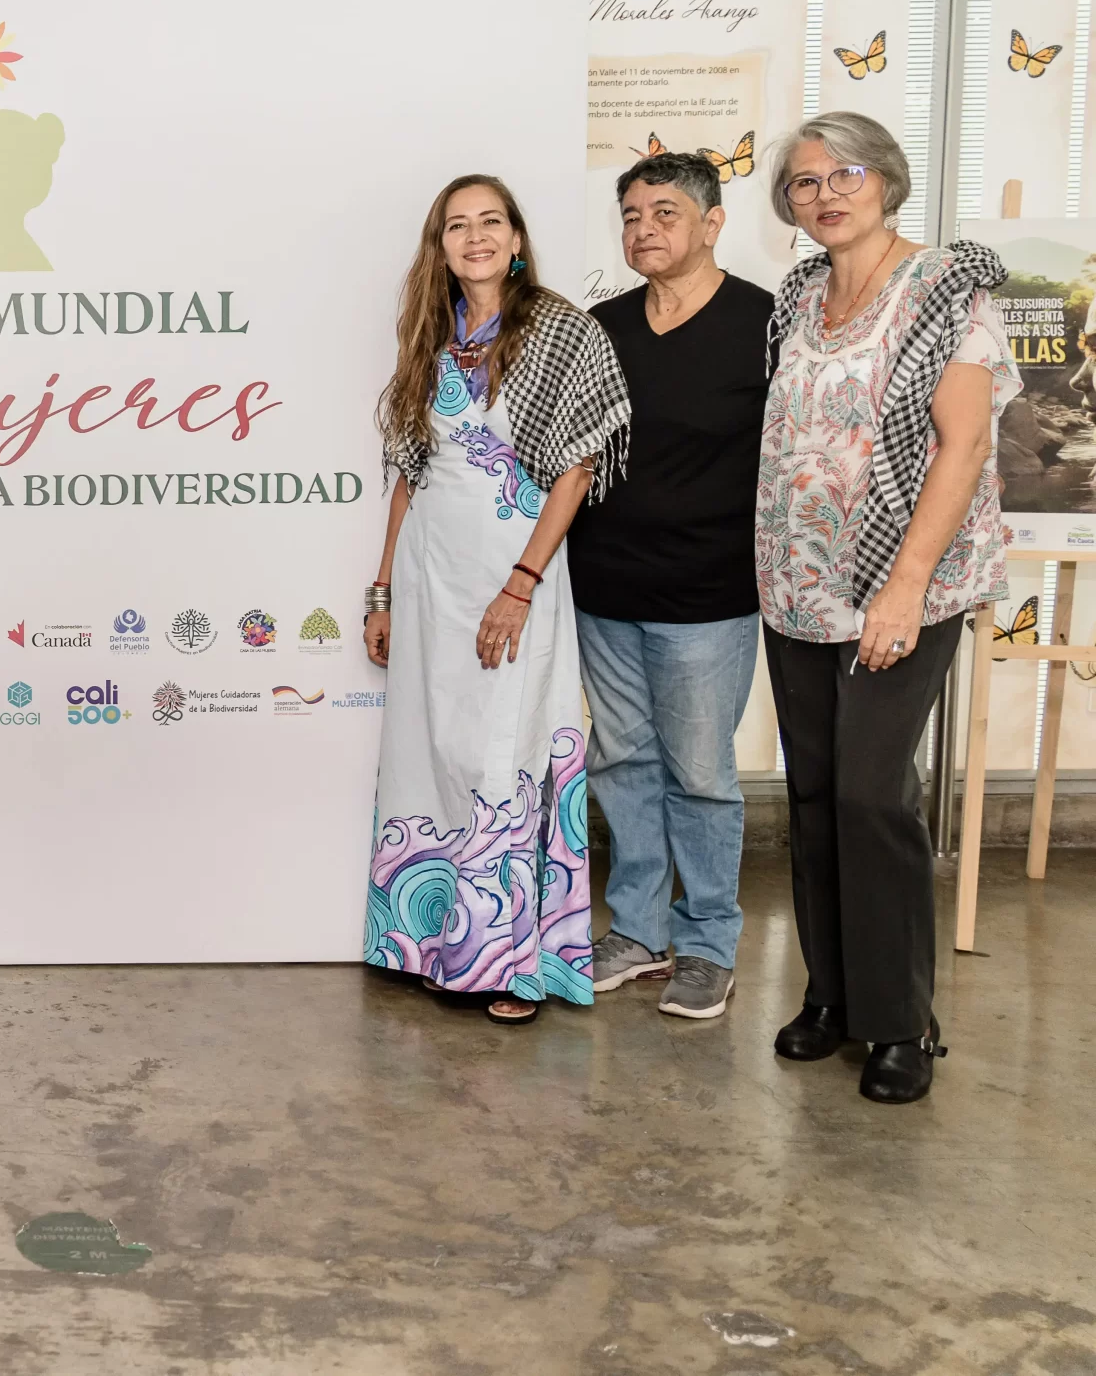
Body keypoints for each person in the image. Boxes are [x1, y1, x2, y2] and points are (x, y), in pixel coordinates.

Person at [758, 113, 1012, 1104]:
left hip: (902, 586)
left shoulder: (945, 289)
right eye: (804, 182)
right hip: (796, 581)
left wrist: (904, 586)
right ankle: (831, 994)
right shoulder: (797, 296)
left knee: (872, 796)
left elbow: (964, 445)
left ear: (887, 181)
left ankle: (902, 1019)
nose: (824, 194)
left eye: (845, 174)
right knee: (816, 797)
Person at [360, 174, 630, 1024]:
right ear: (439, 246)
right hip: (430, 578)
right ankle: (428, 942)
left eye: (490, 222)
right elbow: (410, 472)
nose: (474, 237)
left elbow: (577, 470)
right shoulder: (429, 334)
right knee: (435, 749)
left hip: (516, 574)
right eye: (456, 225)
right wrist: (382, 589)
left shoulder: (560, 331)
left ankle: (513, 964)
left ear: (516, 238)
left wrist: (521, 583)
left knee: (504, 754)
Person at [572, 153, 775, 1022]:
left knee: (699, 774)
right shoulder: (601, 326)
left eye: (664, 212)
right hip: (605, 589)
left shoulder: (764, 323)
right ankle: (638, 930)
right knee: (622, 761)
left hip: (709, 598)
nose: (643, 228)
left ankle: (708, 945)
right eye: (630, 214)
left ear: (712, 222)